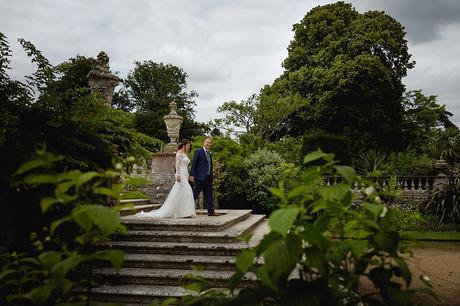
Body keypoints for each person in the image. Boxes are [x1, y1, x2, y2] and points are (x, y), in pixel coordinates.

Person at [135, 139, 196, 218]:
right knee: (186, 191)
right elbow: (177, 166)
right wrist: (177, 175)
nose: (189, 147)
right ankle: (182, 212)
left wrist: (188, 175)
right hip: (180, 174)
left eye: (189, 146)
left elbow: (185, 166)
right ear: (184, 145)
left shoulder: (185, 154)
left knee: (184, 192)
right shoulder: (179, 153)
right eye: (188, 146)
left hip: (185, 174)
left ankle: (185, 212)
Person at [189, 137, 220, 216]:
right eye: (207, 142)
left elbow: (210, 165)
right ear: (203, 143)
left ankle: (211, 212)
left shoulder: (209, 153)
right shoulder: (198, 151)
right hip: (199, 178)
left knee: (209, 196)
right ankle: (186, 210)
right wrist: (192, 175)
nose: (208, 144)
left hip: (208, 178)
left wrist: (211, 176)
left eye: (210, 143)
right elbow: (194, 164)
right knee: (194, 195)